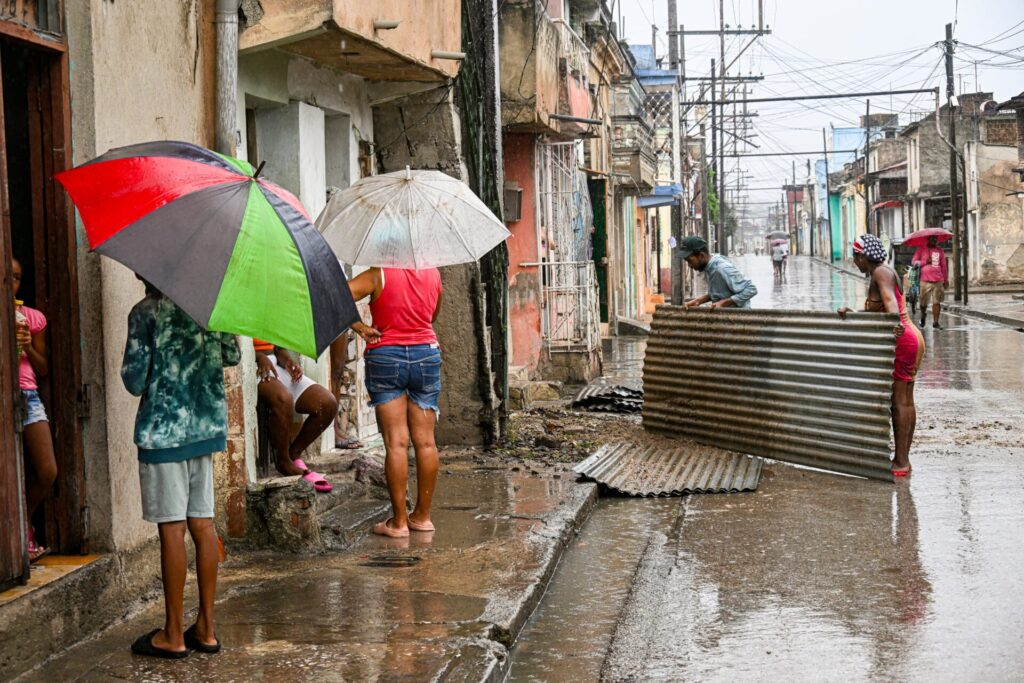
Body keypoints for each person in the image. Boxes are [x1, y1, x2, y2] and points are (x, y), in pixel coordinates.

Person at [122, 280, 240, 658]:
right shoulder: (212, 308)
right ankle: (206, 628)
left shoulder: (145, 313)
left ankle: (173, 633)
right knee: (203, 525)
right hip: (205, 430)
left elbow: (133, 380)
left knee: (172, 529)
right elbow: (232, 355)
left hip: (164, 434)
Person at [347, 266, 442, 538]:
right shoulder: (433, 272)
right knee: (426, 442)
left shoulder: (378, 273)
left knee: (396, 443)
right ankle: (422, 517)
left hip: (386, 356)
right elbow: (433, 315)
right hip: (426, 355)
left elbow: (339, 296)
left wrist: (360, 327)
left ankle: (399, 523)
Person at [837, 234, 924, 477]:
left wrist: (894, 324)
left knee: (899, 402)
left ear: (862, 257)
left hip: (902, 341)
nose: (854, 262)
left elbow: (891, 306)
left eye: (855, 258)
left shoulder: (880, 274)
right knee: (906, 400)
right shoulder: (885, 271)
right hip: (909, 336)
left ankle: (901, 462)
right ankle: (903, 459)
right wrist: (854, 313)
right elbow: (882, 310)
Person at [11, 258, 56, 562]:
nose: (11, 282)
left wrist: (26, 345)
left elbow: (42, 369)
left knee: (47, 470)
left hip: (28, 396)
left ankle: (24, 520)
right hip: (5, 396)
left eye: (16, 277)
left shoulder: (32, 318)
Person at [254, 340, 338, 492]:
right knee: (283, 399)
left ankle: (294, 453)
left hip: (275, 367)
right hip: (254, 367)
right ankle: (283, 461)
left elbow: (277, 347)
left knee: (327, 403)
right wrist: (259, 357)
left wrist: (288, 362)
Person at [680, 236, 758, 309]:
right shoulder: (708, 268)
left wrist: (723, 303)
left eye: (690, 261)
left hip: (738, 317)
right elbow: (719, 293)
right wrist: (699, 301)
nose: (689, 265)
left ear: (701, 256)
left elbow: (751, 289)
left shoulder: (722, 268)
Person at [911, 236, 948, 329]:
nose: (935, 240)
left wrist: (945, 279)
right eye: (932, 239)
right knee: (923, 303)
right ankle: (923, 315)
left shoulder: (940, 251)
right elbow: (914, 262)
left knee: (937, 301)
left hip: (938, 280)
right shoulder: (921, 249)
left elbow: (943, 266)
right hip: (924, 280)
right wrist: (925, 261)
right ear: (928, 239)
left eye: (936, 239)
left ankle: (936, 322)